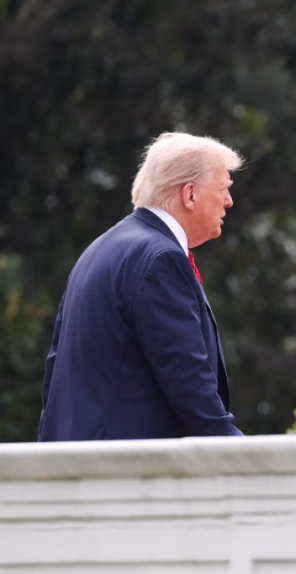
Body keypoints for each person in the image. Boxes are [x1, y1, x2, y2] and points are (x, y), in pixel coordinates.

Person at [38, 132, 244, 440]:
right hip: (122, 464)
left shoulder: (100, 249)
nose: (229, 201)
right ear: (189, 194)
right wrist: (240, 452)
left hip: (78, 456)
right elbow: (188, 380)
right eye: (223, 188)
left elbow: (55, 373)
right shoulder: (161, 259)